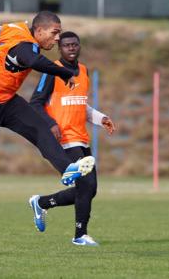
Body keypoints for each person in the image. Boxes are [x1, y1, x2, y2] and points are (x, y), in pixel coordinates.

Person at [0, 7, 96, 257]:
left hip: (6, 101)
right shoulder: (24, 46)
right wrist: (64, 72)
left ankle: (67, 169)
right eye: (55, 32)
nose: (58, 39)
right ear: (38, 31)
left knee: (41, 128)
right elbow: (34, 61)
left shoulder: (13, 27)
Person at [28, 31, 116, 246]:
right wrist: (51, 124)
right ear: (60, 48)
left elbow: (79, 104)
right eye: (67, 45)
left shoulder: (84, 71)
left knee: (90, 189)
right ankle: (80, 236)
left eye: (75, 44)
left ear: (79, 46)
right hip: (66, 139)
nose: (71, 48)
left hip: (82, 138)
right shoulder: (51, 71)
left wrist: (100, 118)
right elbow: (36, 102)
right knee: (86, 186)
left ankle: (41, 202)